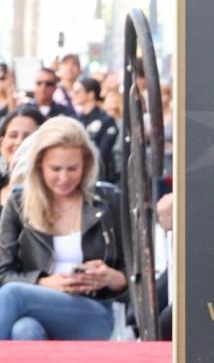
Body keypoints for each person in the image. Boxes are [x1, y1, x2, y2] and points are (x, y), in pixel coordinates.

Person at [0, 116, 127, 340]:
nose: (64, 178)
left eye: (72, 169)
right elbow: (4, 272)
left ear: (86, 163)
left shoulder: (110, 200)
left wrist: (111, 277)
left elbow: (138, 275)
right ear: (40, 164)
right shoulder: (19, 202)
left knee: (12, 295)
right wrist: (43, 282)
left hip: (97, 311)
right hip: (35, 306)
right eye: (55, 169)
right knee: (25, 330)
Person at [71, 75, 120, 182]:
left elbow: (102, 152)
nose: (73, 95)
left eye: (78, 91)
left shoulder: (106, 120)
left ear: (90, 94)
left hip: (99, 175)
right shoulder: (75, 120)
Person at [0, 105, 43, 209]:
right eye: (13, 135)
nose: (19, 142)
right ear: (1, 143)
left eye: (28, 137)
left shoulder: (52, 190)